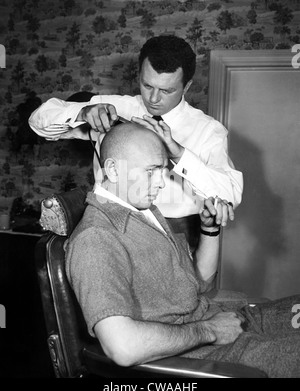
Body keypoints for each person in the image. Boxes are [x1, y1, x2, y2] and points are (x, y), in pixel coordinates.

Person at [65, 121, 300, 378]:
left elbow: (199, 284)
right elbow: (122, 347)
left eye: (163, 171)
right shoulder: (96, 238)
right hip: (208, 353)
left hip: (228, 322)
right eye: (151, 171)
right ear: (113, 169)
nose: (161, 183)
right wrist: (210, 330)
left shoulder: (145, 211)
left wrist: (209, 229)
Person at [29, 35, 243, 249]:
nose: (153, 98)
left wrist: (179, 154)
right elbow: (38, 122)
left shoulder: (208, 131)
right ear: (139, 75)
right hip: (107, 234)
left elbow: (230, 194)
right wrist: (82, 112)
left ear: (186, 86)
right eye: (147, 85)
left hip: (176, 242)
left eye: (167, 90)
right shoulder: (116, 106)